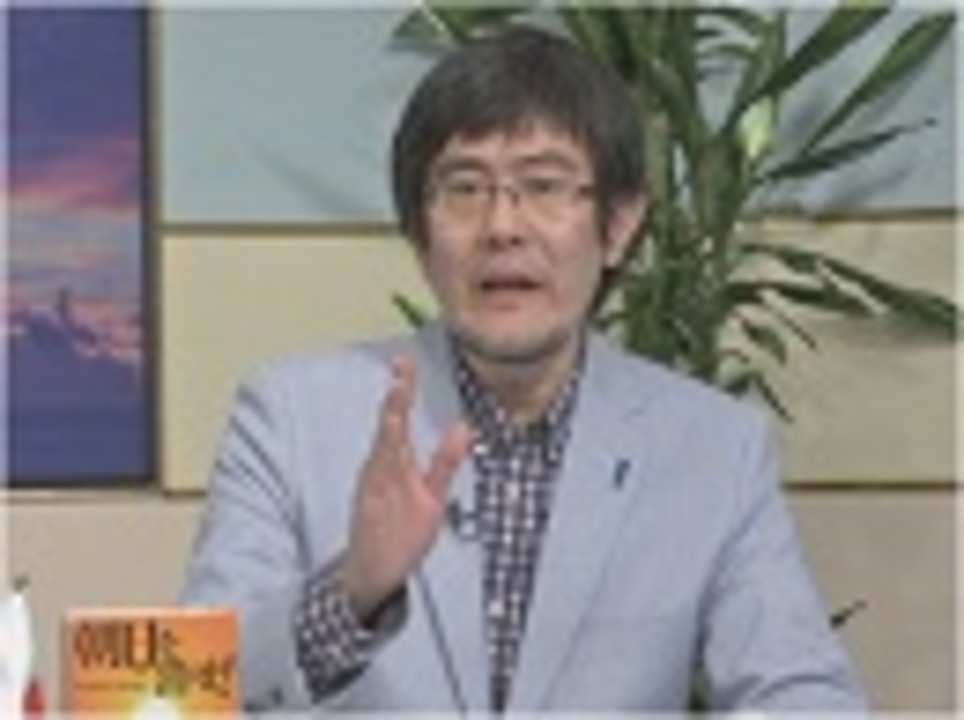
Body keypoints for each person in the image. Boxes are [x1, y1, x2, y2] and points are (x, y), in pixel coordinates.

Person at [181, 25, 867, 715]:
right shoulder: (290, 420)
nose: (502, 227)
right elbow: (196, 692)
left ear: (618, 225)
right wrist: (353, 590)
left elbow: (805, 695)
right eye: (464, 188)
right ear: (419, 232)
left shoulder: (715, 449)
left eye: (544, 186)